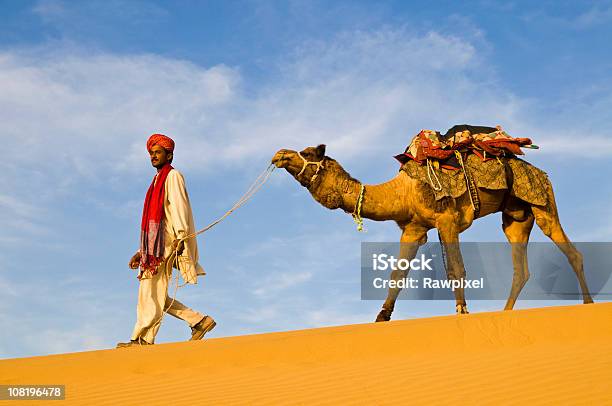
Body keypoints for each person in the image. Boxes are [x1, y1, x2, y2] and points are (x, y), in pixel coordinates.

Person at [117, 134, 216, 348]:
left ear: (169, 155)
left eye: (158, 152)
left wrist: (181, 237)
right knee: (154, 292)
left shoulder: (172, 176)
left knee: (149, 291)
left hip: (168, 241)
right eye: (151, 153)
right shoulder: (156, 181)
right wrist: (140, 250)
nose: (153, 156)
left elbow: (179, 207)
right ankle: (198, 321)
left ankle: (142, 339)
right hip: (154, 245)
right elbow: (157, 219)